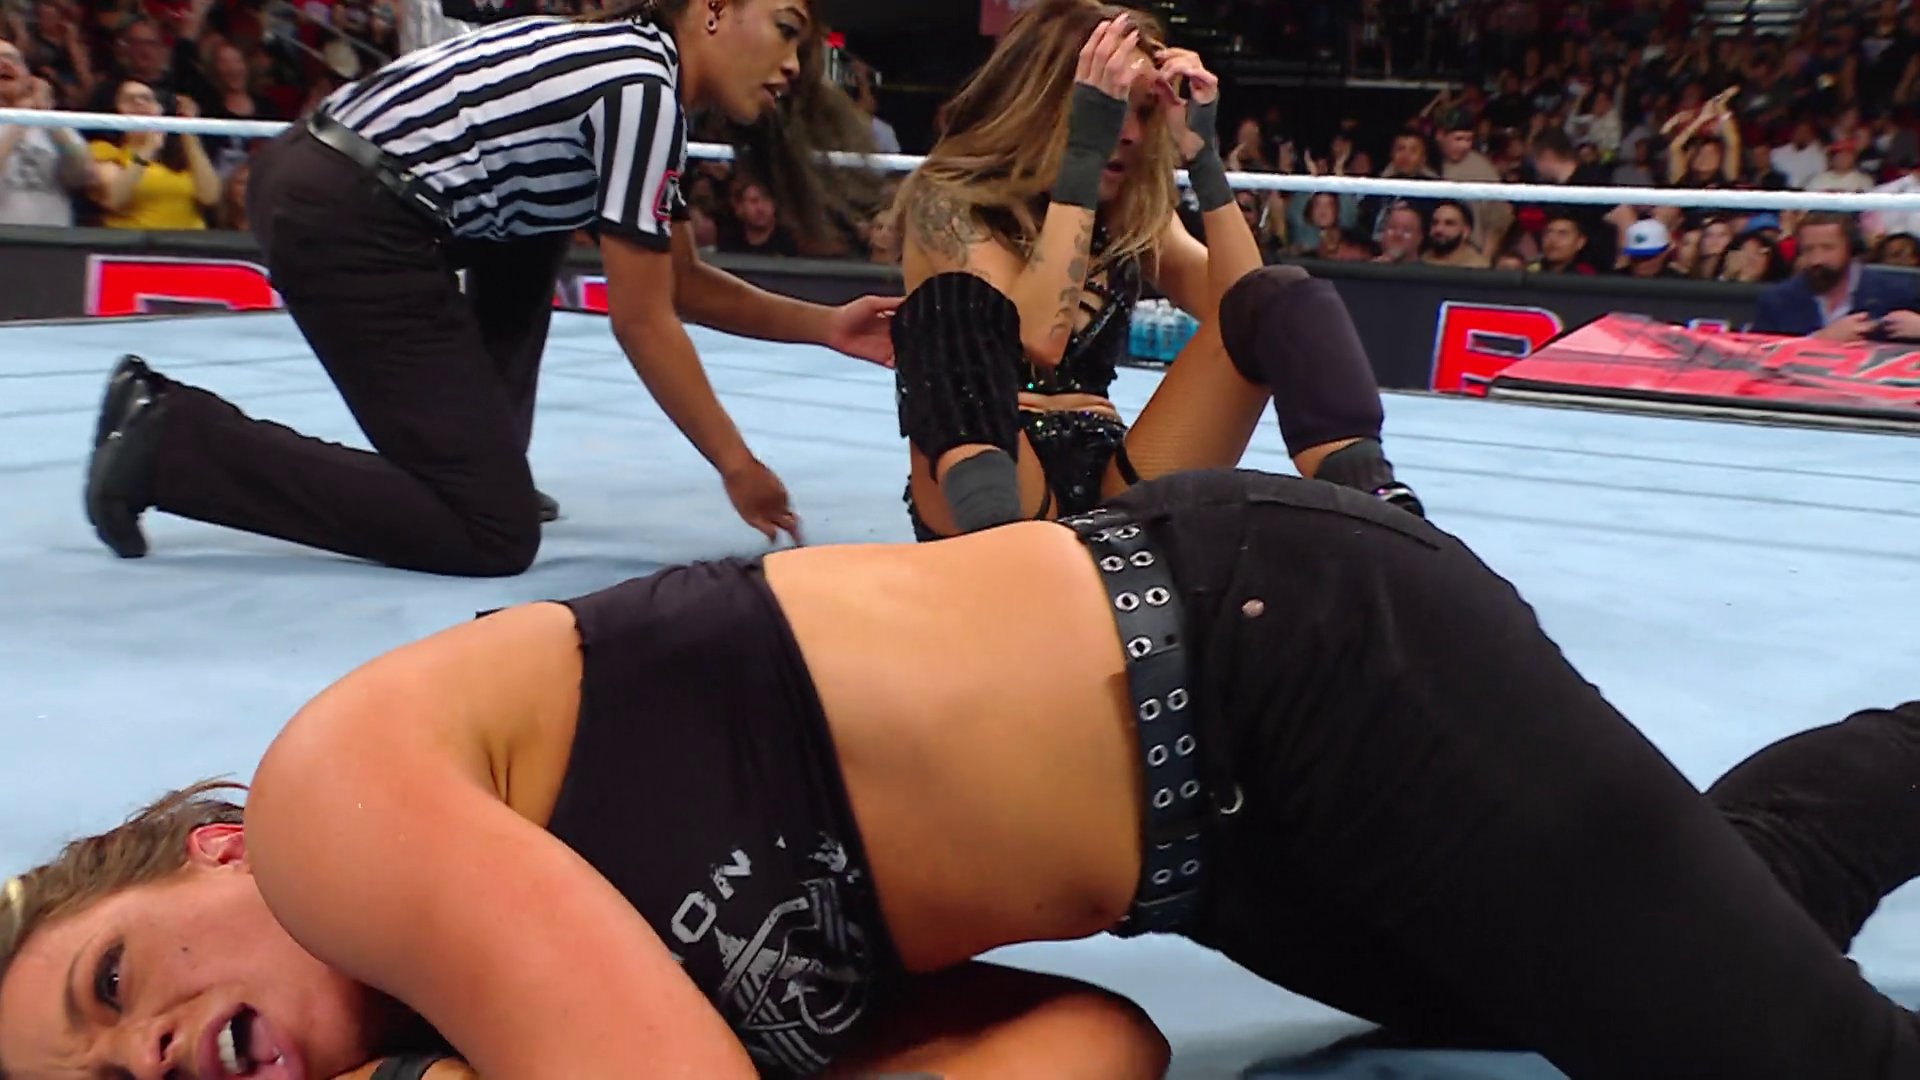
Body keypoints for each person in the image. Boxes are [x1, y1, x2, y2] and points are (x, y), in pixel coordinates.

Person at [6, 467, 1920, 1080]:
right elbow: (1096, 1046)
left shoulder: (334, 801)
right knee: (1697, 934)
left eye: (108, 984)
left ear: (207, 850)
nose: (142, 1057)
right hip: (1224, 860)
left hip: (1285, 661)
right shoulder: (532, 1016)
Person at [83, 0, 897, 578]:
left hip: (336, 180)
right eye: (786, 30)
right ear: (714, 10)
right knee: (490, 531)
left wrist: (826, 325)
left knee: (538, 227)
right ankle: (174, 441)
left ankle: (484, 458)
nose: (794, 66)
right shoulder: (640, 89)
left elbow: (677, 281)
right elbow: (643, 319)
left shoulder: (625, 65)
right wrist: (736, 463)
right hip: (351, 210)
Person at [887, 1, 1422, 541]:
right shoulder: (949, 204)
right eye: (1107, 108)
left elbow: (1247, 311)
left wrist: (1204, 161)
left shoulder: (1130, 212)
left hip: (1110, 477)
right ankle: (1002, 558)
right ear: (1043, 103)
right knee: (951, 303)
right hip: (991, 479)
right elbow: (1037, 340)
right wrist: (1082, 156)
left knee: (1283, 294)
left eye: (1143, 113)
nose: (1129, 134)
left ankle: (1378, 506)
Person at [1750, 212, 1920, 342]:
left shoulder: (1898, 293)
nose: (1817, 259)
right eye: (1808, 249)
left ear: (1851, 248)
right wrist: (1820, 340)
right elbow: (1757, 356)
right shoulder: (1777, 300)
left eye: (1828, 248)